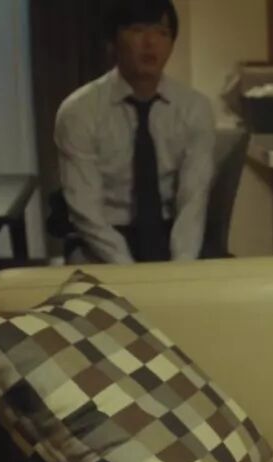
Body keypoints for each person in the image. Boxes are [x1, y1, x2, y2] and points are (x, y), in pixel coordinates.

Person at [55, 0, 214, 264]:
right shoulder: (79, 111)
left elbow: (192, 202)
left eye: (162, 33)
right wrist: (128, 270)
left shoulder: (194, 108)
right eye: (138, 30)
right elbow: (85, 210)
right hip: (102, 235)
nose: (151, 43)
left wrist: (181, 266)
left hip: (171, 231)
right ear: (113, 40)